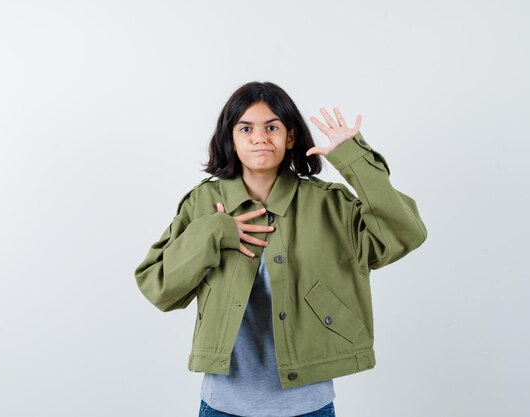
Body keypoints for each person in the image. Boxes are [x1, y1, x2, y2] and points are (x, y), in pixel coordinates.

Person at [134, 81, 427, 417]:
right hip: (222, 405)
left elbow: (406, 233)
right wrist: (215, 231)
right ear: (231, 138)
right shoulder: (203, 203)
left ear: (290, 137)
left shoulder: (329, 204)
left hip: (308, 405)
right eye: (246, 128)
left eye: (271, 127)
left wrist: (355, 160)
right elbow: (157, 286)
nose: (260, 137)